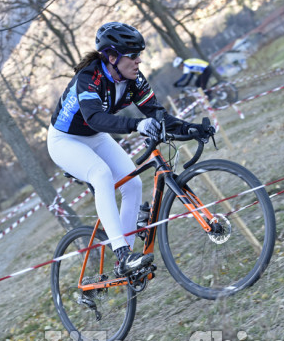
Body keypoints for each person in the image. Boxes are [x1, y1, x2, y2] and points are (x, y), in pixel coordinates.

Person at [47, 22, 211, 278]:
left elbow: (157, 114)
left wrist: (191, 129)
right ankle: (122, 253)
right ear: (112, 57)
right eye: (133, 56)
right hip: (65, 141)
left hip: (95, 137)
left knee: (132, 184)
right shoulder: (89, 79)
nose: (138, 62)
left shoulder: (133, 78)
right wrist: (137, 124)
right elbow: (95, 119)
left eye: (139, 55)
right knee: (101, 175)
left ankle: (130, 263)